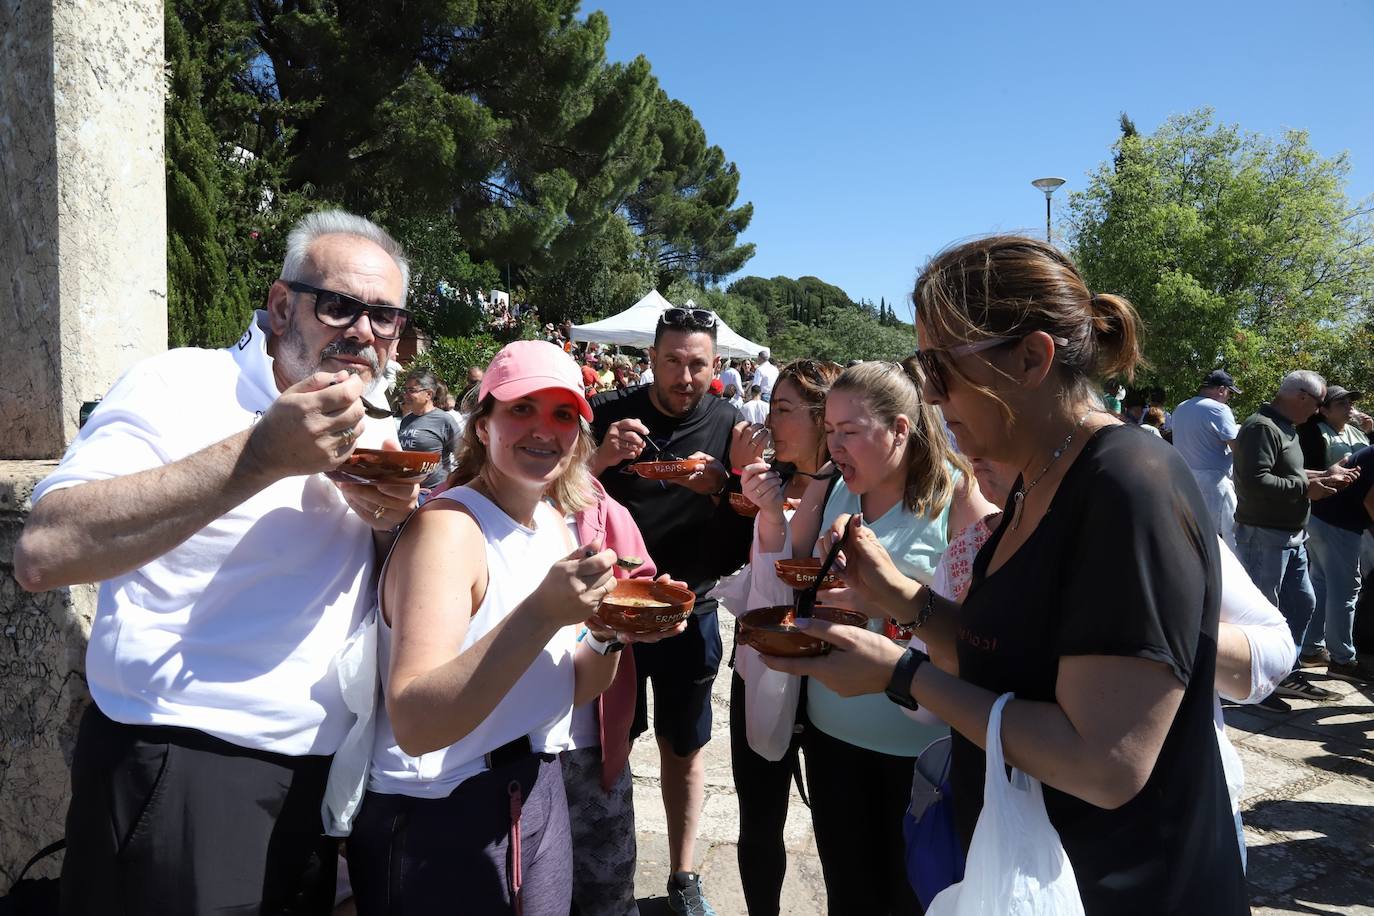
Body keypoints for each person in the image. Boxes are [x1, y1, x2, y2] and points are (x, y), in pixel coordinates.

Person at [765, 235, 1251, 914]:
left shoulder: (1125, 486)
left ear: (1032, 358)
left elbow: (1105, 762)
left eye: (939, 367)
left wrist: (900, 675)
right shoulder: (1037, 478)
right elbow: (1012, 656)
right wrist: (902, 597)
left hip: (1122, 885)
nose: (930, 393)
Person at [14, 210, 420, 915]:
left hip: (320, 787)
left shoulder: (379, 430)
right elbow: (44, 552)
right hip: (183, 769)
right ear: (281, 306)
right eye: (339, 306)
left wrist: (389, 530)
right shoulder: (177, 386)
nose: (363, 332)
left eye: (384, 316)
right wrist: (259, 456)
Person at [347, 340, 682, 914]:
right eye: (521, 409)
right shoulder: (450, 530)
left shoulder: (553, 523)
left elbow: (572, 687)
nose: (543, 429)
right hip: (442, 810)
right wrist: (543, 612)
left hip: (535, 788)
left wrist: (607, 633)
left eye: (562, 414)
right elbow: (417, 723)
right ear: (482, 427)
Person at [780, 360, 992, 915]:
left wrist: (893, 608)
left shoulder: (958, 495)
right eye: (828, 431)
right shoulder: (832, 488)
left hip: (921, 753)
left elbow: (985, 632)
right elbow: (788, 568)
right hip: (830, 736)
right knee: (848, 896)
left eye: (849, 432)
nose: (834, 446)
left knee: (914, 899)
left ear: (900, 428)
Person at [589, 306, 757, 916]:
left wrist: (724, 484)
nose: (685, 377)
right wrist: (599, 459)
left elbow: (751, 527)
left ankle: (684, 876)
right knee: (606, 741)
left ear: (717, 367)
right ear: (651, 359)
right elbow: (556, 497)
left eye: (699, 365)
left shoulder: (730, 422)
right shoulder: (610, 415)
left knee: (684, 748)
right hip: (616, 613)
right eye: (673, 362)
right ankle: (605, 867)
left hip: (697, 606)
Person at [731, 359, 843, 915]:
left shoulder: (854, 487)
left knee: (836, 825)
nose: (769, 421)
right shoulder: (768, 477)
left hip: (828, 669)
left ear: (823, 416)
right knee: (759, 814)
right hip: (760, 659)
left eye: (782, 409)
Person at [1233, 370, 1356, 701]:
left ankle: (1283, 673)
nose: (1317, 411)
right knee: (1264, 613)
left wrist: (1325, 474)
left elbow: (1286, 473)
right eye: (1317, 403)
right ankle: (1255, 684)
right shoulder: (1261, 426)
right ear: (1301, 397)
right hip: (1264, 535)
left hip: (1290, 535)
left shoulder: (1285, 427)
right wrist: (1308, 488)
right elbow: (1255, 480)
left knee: (1302, 603)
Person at [1301, 441, 1374, 683]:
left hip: (1319, 516)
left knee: (1322, 585)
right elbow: (1371, 501)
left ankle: (1311, 649)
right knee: (1345, 590)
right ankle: (1342, 660)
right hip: (1339, 524)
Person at [1172, 370, 1243, 549]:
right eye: (1229, 393)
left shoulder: (1181, 407)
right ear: (1221, 389)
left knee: (1193, 539)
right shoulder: (1219, 409)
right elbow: (1238, 448)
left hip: (1184, 480)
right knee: (1228, 542)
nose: (1228, 398)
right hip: (1214, 484)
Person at [399, 368, 462, 489]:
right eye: (405, 390)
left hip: (433, 491)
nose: (405, 395)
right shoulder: (406, 420)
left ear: (428, 394)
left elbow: (463, 457)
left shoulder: (444, 420)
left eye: (411, 390)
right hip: (408, 490)